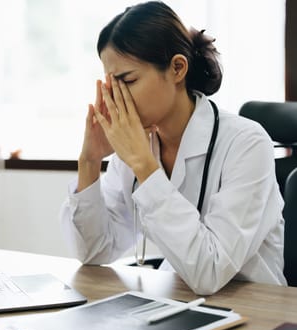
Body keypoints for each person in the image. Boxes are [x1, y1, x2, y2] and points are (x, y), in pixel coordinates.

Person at [60, 1, 287, 295]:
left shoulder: (246, 144)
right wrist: (89, 161)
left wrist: (145, 166)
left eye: (128, 80)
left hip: (256, 311)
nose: (116, 97)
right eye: (110, 84)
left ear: (178, 68)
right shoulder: (139, 146)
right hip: (176, 302)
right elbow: (94, 251)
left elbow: (210, 272)